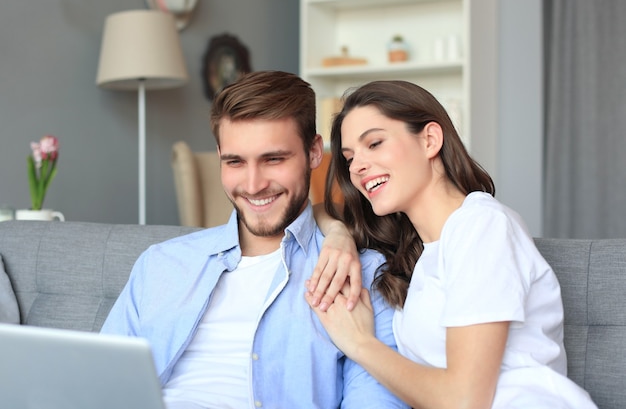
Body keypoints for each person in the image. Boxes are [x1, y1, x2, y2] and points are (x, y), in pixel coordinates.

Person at [100, 71, 408, 409]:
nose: (253, 184)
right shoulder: (160, 264)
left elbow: (375, 401)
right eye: (234, 161)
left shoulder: (358, 273)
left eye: (273, 159)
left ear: (314, 152)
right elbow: (96, 383)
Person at [305, 80, 598, 409]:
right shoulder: (422, 250)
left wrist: (360, 343)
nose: (357, 167)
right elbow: (315, 211)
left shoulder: (482, 227)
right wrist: (339, 236)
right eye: (348, 157)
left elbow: (465, 399)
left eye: (374, 143)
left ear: (430, 140)